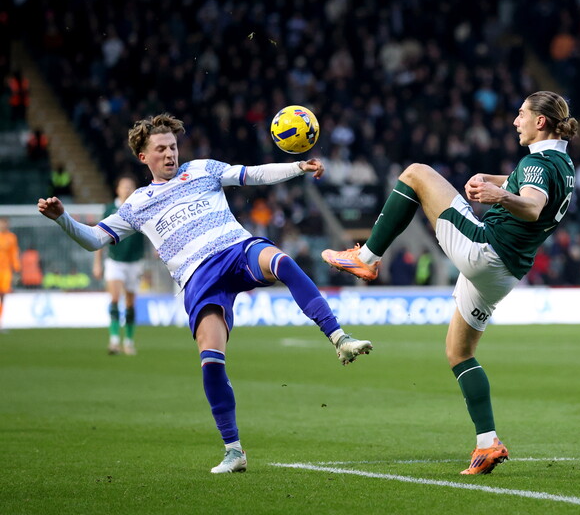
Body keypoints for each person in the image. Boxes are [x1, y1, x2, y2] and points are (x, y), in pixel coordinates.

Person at [38, 113, 372, 474]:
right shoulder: (137, 204)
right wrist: (62, 218)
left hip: (234, 249)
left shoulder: (201, 170)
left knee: (282, 262)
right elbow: (93, 240)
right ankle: (234, 450)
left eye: (173, 146)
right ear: (143, 157)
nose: (170, 154)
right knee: (211, 362)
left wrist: (298, 167)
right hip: (197, 278)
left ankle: (339, 337)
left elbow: (250, 174)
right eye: (161, 149)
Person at [321, 91, 577, 475]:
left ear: (541, 121)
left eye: (521, 113)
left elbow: (532, 205)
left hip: (486, 250)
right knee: (459, 352)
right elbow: (528, 185)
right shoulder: (561, 163)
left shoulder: (539, 162)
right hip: (504, 274)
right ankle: (487, 443)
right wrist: (490, 180)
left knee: (416, 173)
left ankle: (366, 258)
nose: (515, 120)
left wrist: (497, 195)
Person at [93, 176, 145, 355]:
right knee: (115, 299)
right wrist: (97, 263)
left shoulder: (140, 207)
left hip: (135, 262)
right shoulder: (110, 209)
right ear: (118, 190)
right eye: (124, 187)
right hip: (114, 261)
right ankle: (114, 341)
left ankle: (129, 342)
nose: (127, 190)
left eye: (130, 187)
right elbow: (99, 235)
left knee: (130, 304)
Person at [0, 217, 21, 331]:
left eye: (5, 223)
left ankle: (0, 322)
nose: (3, 225)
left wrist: (17, 269)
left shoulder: (11, 237)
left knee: (3, 296)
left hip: (5, 271)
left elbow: (14, 253)